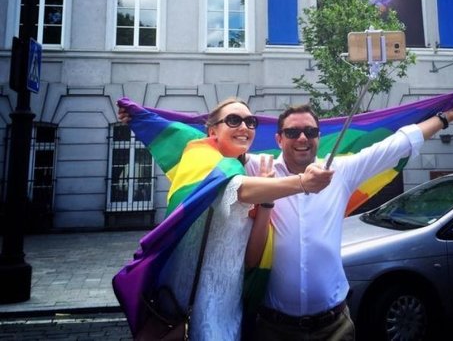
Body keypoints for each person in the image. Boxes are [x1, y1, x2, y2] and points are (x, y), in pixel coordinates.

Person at [246, 95, 453, 340]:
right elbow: (218, 155)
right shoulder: (260, 169)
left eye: (310, 131)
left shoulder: (340, 172)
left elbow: (398, 144)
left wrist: (443, 118)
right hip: (274, 328)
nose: (302, 138)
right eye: (292, 132)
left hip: (334, 328)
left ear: (319, 137)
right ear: (279, 138)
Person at [116, 97, 333, 341]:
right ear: (213, 131)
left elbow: (252, 258)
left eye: (251, 122)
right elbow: (236, 188)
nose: (244, 127)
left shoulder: (246, 170)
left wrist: (266, 202)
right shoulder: (201, 158)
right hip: (194, 303)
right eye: (233, 120)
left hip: (228, 303)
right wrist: (302, 182)